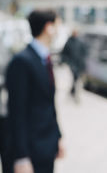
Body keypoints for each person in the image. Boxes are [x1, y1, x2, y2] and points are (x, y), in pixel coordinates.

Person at [6, 10, 64, 173]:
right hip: (30, 152)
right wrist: (21, 156)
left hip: (47, 147)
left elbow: (49, 103)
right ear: (49, 27)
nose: (59, 30)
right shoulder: (21, 62)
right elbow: (16, 112)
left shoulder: (45, 59)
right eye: (58, 24)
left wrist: (58, 137)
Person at [61, 29, 87, 99]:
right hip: (72, 63)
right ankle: (73, 91)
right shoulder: (69, 42)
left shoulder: (80, 41)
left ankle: (73, 90)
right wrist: (66, 61)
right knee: (74, 76)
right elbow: (64, 53)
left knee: (76, 77)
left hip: (79, 63)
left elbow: (84, 52)